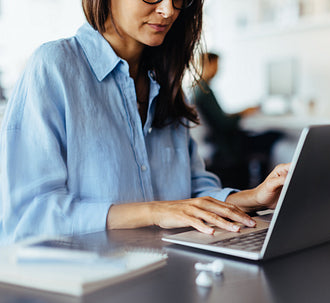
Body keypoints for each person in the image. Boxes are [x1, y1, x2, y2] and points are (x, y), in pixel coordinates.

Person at [0, 0, 289, 245]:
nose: (168, 10)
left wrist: (254, 198)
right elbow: (29, 216)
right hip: (84, 291)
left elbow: (192, 196)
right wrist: (153, 211)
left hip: (168, 277)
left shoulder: (167, 81)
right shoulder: (54, 67)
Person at [193, 52, 283, 189]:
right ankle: (267, 185)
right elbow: (224, 123)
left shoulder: (198, 89)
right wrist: (243, 114)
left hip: (221, 141)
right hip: (227, 145)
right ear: (207, 65)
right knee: (273, 135)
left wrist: (242, 111)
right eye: (216, 65)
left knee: (265, 136)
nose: (218, 69)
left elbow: (219, 116)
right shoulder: (204, 91)